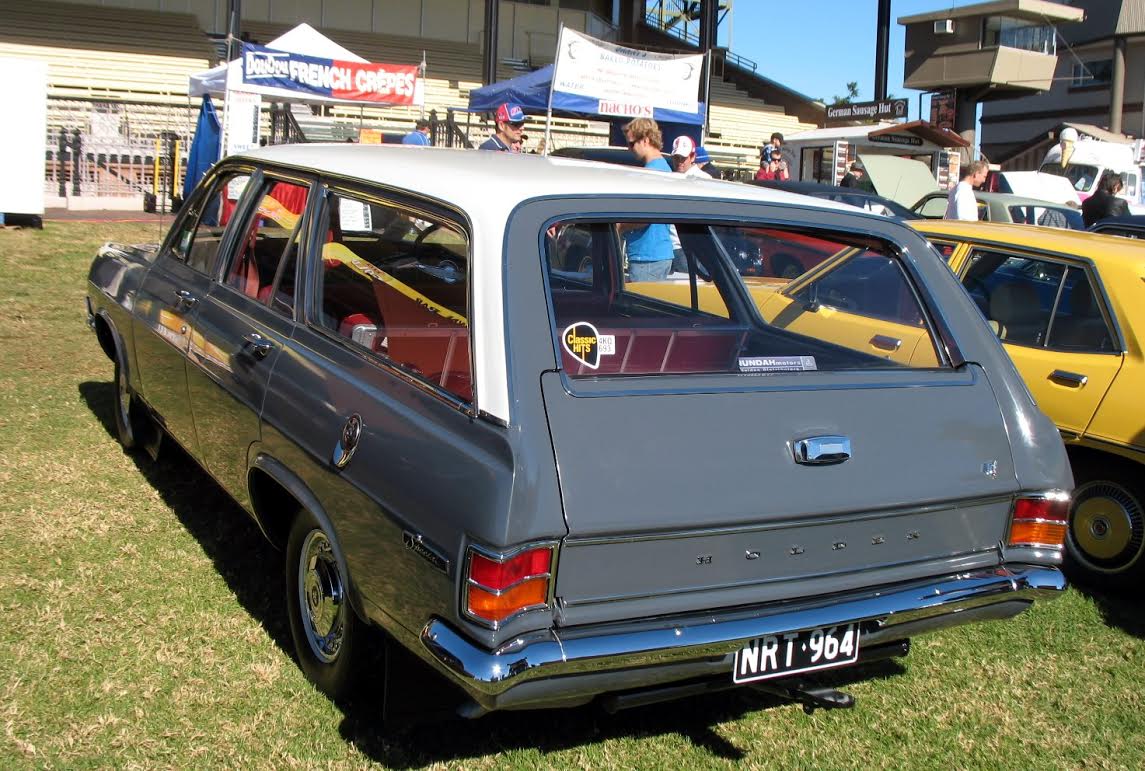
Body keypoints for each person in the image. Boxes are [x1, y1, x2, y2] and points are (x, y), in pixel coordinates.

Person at [621, 118, 674, 280]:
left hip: (647, 256)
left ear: (645, 140)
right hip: (657, 253)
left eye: (631, 143)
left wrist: (619, 226)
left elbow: (647, 217)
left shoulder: (651, 173)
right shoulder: (664, 168)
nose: (629, 149)